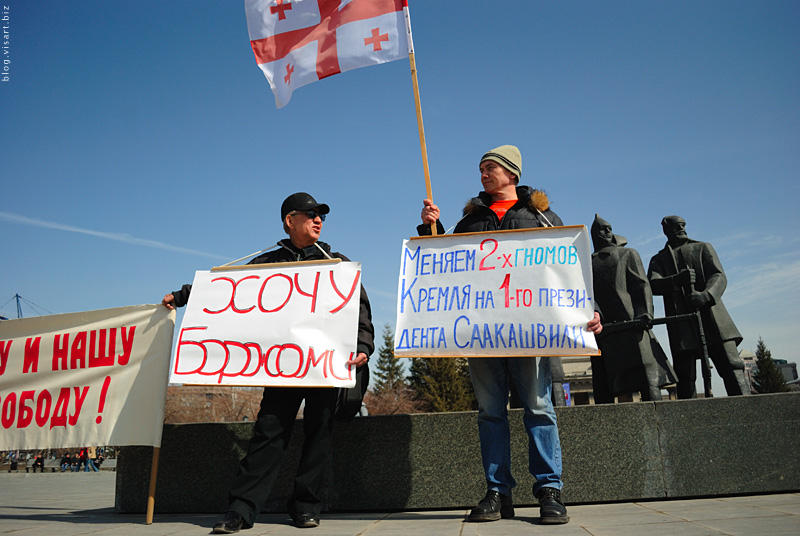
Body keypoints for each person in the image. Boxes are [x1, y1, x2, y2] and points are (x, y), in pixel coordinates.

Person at [163, 192, 375, 533]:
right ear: (290, 221)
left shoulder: (336, 263)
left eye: (321, 215)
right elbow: (226, 289)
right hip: (284, 367)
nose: (319, 219)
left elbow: (360, 310)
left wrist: (364, 344)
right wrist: (184, 295)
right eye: (310, 214)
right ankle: (242, 509)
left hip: (324, 365)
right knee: (268, 435)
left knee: (319, 434)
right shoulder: (268, 264)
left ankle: (306, 506)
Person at [418, 145, 602, 525]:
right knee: (490, 413)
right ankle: (497, 492)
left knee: (539, 408)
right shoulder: (468, 222)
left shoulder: (541, 217)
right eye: (481, 169)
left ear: (511, 174)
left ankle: (549, 491)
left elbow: (569, 269)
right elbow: (444, 266)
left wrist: (590, 309)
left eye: (490, 168)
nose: (483, 174)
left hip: (529, 334)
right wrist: (430, 230)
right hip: (483, 335)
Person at [647, 215, 750, 399]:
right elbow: (653, 285)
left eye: (683, 225)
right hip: (682, 324)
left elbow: (718, 276)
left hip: (713, 318)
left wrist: (706, 295)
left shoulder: (702, 248)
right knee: (685, 376)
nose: (681, 228)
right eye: (676, 226)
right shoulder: (659, 259)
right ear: (666, 230)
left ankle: (747, 409)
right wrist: (676, 280)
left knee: (731, 366)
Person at [590, 215, 676, 402]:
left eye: (608, 229)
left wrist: (645, 313)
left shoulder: (627, 254)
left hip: (632, 325)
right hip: (604, 332)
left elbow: (641, 285)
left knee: (647, 379)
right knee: (605, 385)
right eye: (600, 230)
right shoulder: (587, 262)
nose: (605, 233)